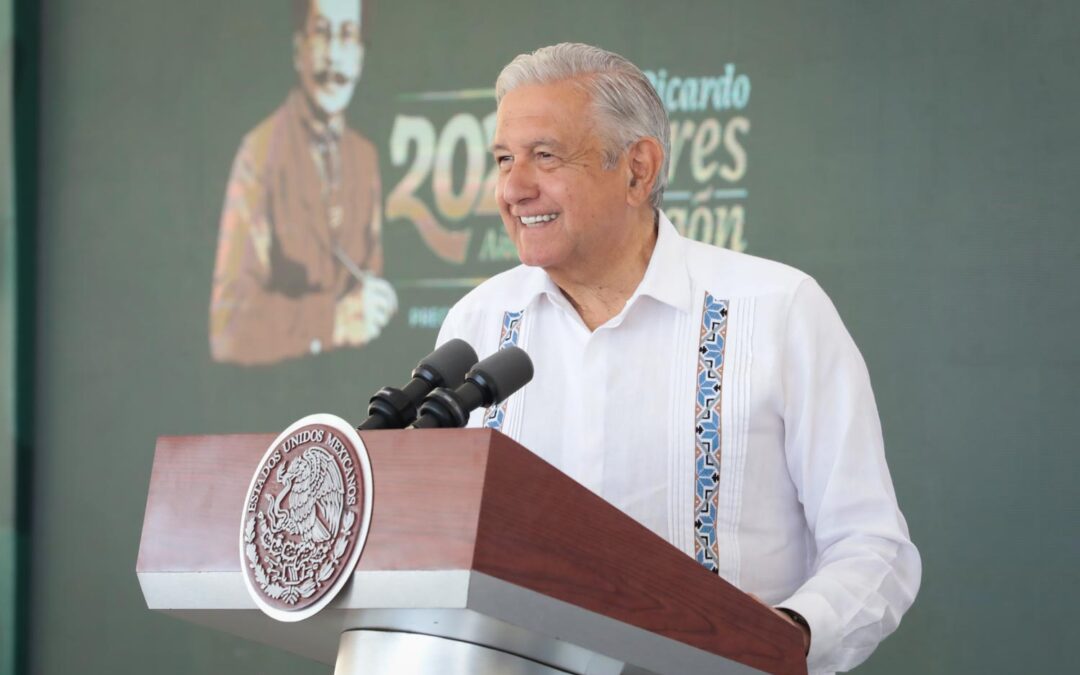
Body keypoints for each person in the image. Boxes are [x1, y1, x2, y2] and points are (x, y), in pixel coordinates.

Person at [436, 43, 921, 674]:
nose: (514, 188)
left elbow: (873, 546)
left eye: (545, 157)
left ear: (638, 169)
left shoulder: (778, 310)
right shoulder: (475, 324)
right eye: (504, 159)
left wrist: (792, 631)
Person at [209, 0, 396, 365]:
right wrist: (333, 320)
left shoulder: (364, 156)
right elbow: (227, 330)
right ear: (298, 51)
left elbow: (368, 276)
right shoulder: (259, 154)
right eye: (322, 34)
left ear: (360, 56)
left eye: (347, 37)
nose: (334, 57)